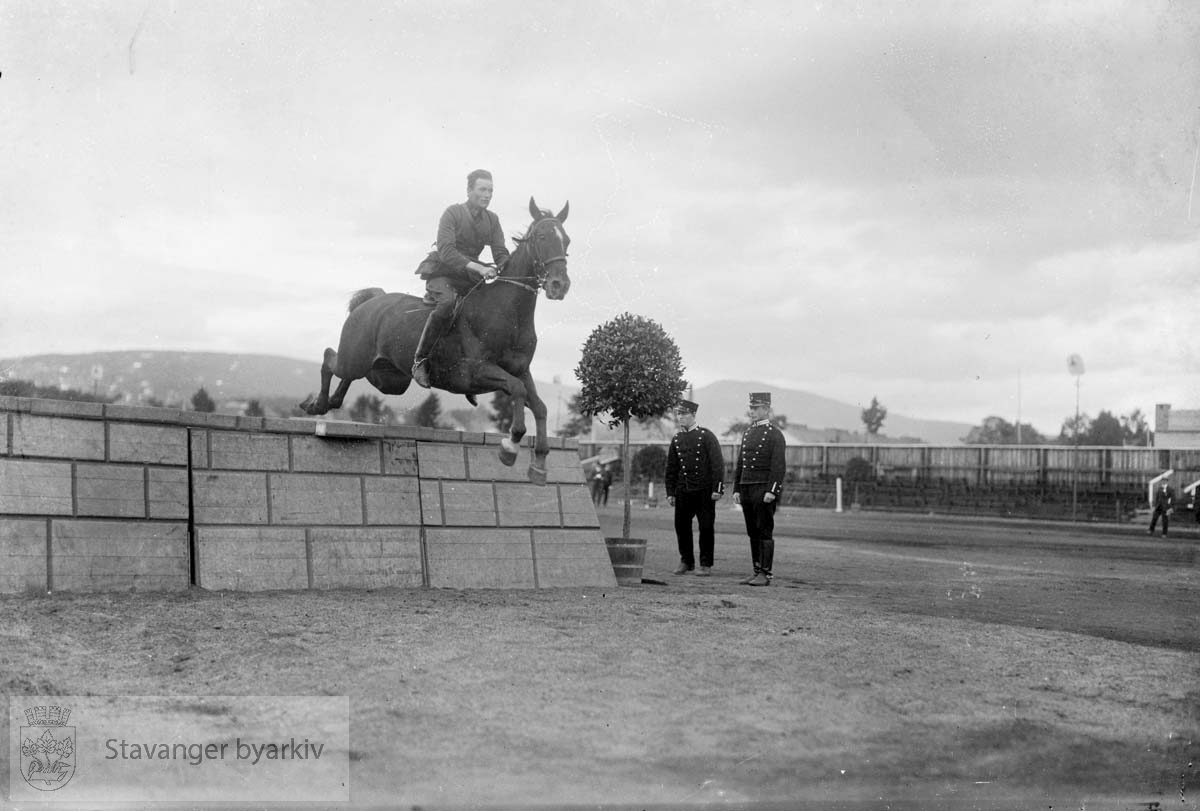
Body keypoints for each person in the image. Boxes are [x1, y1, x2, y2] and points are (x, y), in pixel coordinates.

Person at [412, 169, 512, 388]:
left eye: (491, 191)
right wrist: (479, 267)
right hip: (442, 274)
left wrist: (505, 264)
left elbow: (500, 252)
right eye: (482, 189)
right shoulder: (453, 213)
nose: (487, 195)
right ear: (469, 191)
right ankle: (419, 360)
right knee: (447, 303)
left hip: (468, 278)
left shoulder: (492, 220)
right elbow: (446, 251)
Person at [664, 398, 725, 576]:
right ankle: (686, 561)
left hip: (705, 490)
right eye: (678, 414)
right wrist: (670, 492)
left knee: (706, 527)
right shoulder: (676, 439)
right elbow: (671, 468)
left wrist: (717, 488)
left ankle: (705, 564)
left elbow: (717, 464)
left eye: (684, 414)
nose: (680, 417)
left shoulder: (706, 436)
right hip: (683, 490)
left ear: (694, 415)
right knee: (681, 526)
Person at [733, 392, 786, 586]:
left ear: (766, 409)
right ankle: (756, 570)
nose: (752, 411)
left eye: (756, 408)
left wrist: (772, 490)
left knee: (764, 530)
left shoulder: (775, 434)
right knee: (752, 531)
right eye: (751, 408)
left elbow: (778, 465)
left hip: (763, 488)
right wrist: (737, 488)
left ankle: (766, 573)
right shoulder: (748, 432)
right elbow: (741, 463)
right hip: (747, 487)